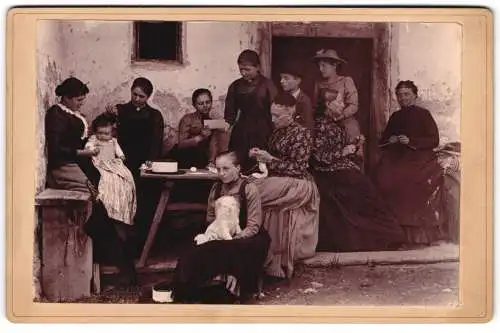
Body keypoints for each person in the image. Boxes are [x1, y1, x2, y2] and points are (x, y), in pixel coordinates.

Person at [45, 77, 137, 288]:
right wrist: (82, 152)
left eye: (82, 99)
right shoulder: (56, 115)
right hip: (63, 167)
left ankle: (118, 256)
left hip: (78, 162)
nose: (81, 102)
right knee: (98, 207)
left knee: (105, 202)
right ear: (66, 98)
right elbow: (57, 149)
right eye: (78, 99)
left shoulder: (71, 114)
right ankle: (115, 258)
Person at [169, 151, 271, 303]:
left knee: (230, 250)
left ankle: (234, 289)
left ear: (238, 168)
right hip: (221, 231)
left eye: (226, 168)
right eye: (218, 169)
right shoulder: (216, 189)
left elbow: (253, 226)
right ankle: (193, 290)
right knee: (193, 251)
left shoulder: (249, 189)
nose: (221, 173)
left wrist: (232, 238)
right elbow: (210, 219)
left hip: (247, 235)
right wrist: (218, 233)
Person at [310, 100, 406, 252]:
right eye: (339, 102)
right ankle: (385, 238)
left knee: (367, 189)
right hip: (328, 173)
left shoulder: (336, 124)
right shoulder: (320, 126)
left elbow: (338, 149)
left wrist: (355, 145)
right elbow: (320, 157)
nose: (342, 105)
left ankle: (389, 237)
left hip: (340, 168)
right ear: (328, 105)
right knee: (364, 189)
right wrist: (344, 152)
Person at [248, 93, 319, 279]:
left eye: (277, 116)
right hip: (280, 179)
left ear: (291, 112)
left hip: (299, 183)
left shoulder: (302, 134)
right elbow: (273, 163)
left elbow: (298, 168)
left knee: (252, 191)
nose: (273, 119)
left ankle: (272, 260)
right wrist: (259, 156)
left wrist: (270, 159)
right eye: (272, 115)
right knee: (249, 186)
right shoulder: (277, 133)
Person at [374, 80, 445, 247]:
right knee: (383, 176)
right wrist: (390, 140)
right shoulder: (395, 116)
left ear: (415, 95)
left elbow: (434, 140)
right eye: (399, 95)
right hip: (397, 156)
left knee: (408, 179)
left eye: (406, 94)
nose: (402, 98)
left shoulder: (424, 114)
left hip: (420, 156)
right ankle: (393, 233)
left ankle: (416, 236)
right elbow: (383, 140)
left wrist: (411, 140)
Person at [105, 77, 165, 252]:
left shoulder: (155, 115)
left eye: (142, 96)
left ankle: (142, 246)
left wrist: (150, 163)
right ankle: (122, 247)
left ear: (149, 97)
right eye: (135, 94)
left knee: (143, 203)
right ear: (131, 91)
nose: (137, 99)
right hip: (123, 163)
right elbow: (107, 132)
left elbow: (156, 142)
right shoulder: (120, 110)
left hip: (144, 166)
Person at [224, 49, 278, 173]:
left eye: (247, 69)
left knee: (260, 165)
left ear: (257, 67)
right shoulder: (235, 86)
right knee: (239, 163)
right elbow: (230, 113)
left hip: (263, 130)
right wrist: (227, 123)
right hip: (242, 130)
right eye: (241, 69)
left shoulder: (268, 85)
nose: (243, 73)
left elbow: (276, 110)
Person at [312, 49, 364, 167]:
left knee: (352, 158)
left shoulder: (346, 81)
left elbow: (354, 105)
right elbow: (315, 106)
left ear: (334, 65)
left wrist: (341, 115)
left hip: (346, 126)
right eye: (319, 66)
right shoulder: (318, 84)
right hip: (326, 129)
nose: (321, 69)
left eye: (324, 65)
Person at [85, 113, 136, 226]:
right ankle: (107, 204)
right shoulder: (94, 139)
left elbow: (118, 150)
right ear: (95, 132)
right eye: (100, 133)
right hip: (101, 162)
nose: (103, 136)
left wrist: (121, 156)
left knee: (125, 177)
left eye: (106, 133)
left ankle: (120, 207)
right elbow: (89, 146)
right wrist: (92, 149)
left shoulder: (113, 141)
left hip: (112, 162)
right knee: (105, 178)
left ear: (112, 132)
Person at [176, 88, 229, 169]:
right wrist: (200, 137)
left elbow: (217, 139)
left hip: (203, 159)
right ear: (194, 105)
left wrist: (211, 162)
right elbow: (181, 144)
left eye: (208, 102)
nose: (205, 106)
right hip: (185, 157)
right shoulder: (187, 119)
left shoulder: (212, 121)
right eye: (201, 103)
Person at [278, 62, 314, 129]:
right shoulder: (280, 98)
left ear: (298, 81)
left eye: (286, 78)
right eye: (281, 78)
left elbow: (308, 127)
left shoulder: (304, 101)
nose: (281, 81)